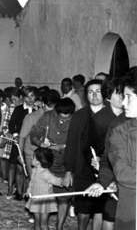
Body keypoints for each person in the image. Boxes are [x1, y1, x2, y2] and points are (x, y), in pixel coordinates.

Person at [87, 72, 137, 229]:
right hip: (130, 209)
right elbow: (119, 170)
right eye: (123, 96)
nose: (124, 103)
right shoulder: (119, 130)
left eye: (129, 97)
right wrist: (103, 181)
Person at [84, 77, 124, 230]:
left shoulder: (127, 118)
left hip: (120, 175)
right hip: (104, 170)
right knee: (106, 213)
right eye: (119, 93)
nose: (122, 98)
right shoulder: (100, 119)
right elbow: (88, 146)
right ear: (109, 96)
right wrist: (95, 160)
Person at [64, 79, 104, 230]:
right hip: (83, 170)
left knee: (101, 209)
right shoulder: (79, 116)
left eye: (98, 91)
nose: (94, 95)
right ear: (86, 95)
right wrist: (68, 171)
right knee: (84, 208)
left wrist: (103, 160)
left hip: (104, 169)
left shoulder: (111, 115)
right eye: (90, 92)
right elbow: (72, 144)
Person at [30, 97, 75, 230]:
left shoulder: (77, 120)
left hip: (65, 164)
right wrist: (40, 143)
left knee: (63, 198)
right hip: (46, 164)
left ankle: (59, 226)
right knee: (43, 198)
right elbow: (34, 134)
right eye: (61, 118)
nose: (63, 121)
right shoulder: (47, 116)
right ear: (56, 111)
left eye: (66, 119)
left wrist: (65, 146)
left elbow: (81, 142)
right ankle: (41, 223)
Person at [8, 86, 38, 201]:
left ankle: (27, 192)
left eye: (32, 96)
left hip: (32, 143)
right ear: (23, 98)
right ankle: (19, 192)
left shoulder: (38, 110)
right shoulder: (18, 109)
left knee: (31, 168)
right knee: (20, 168)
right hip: (19, 141)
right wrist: (16, 135)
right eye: (27, 96)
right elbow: (12, 124)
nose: (30, 99)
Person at [25, 148, 64, 230]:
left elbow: (55, 180)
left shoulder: (45, 173)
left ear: (39, 162)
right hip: (36, 199)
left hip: (45, 201)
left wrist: (63, 182)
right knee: (36, 222)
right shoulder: (34, 170)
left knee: (43, 224)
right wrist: (28, 191)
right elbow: (31, 182)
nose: (32, 158)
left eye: (33, 157)